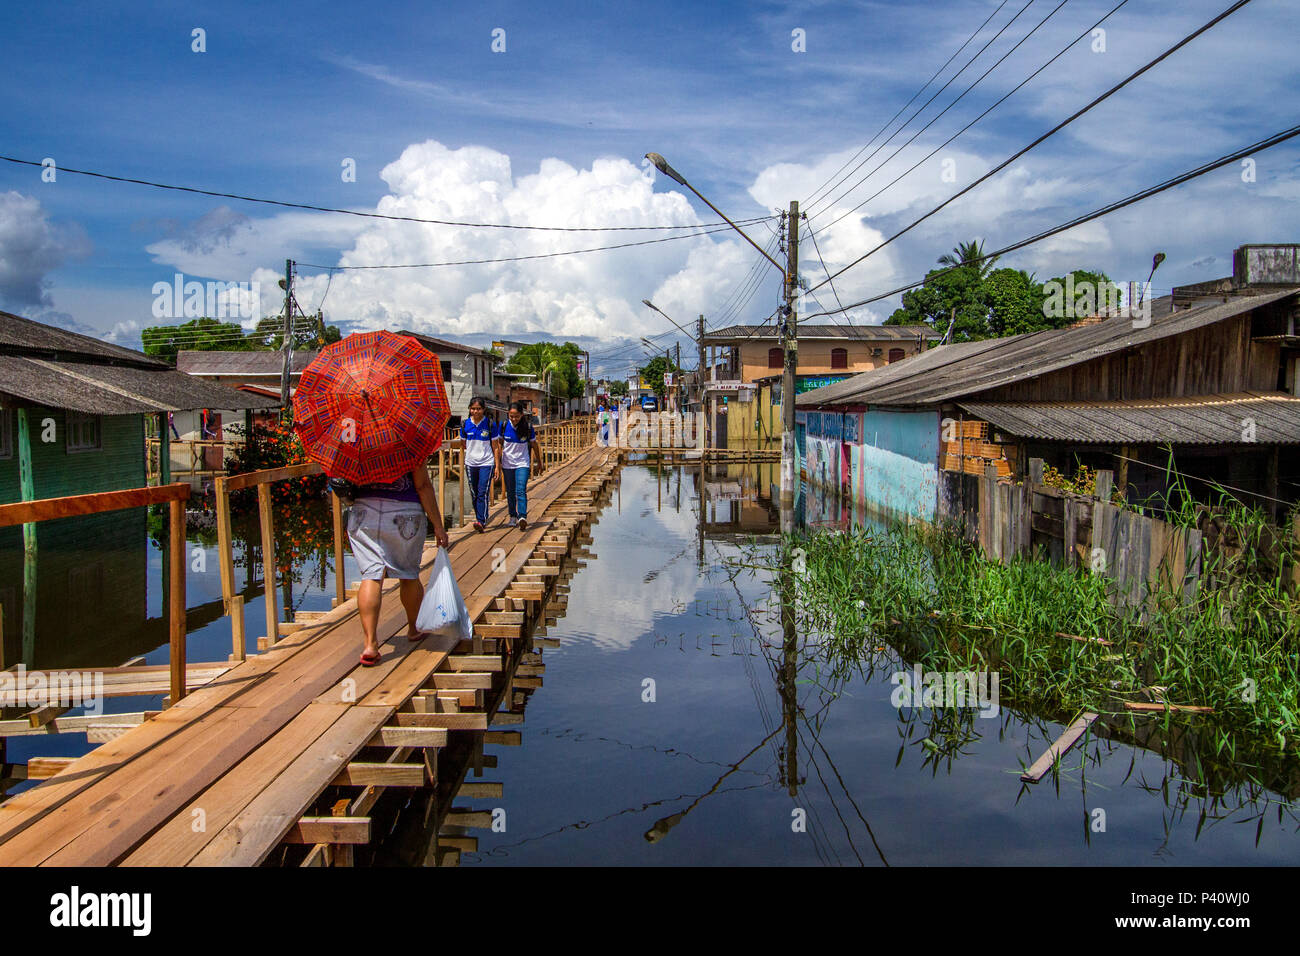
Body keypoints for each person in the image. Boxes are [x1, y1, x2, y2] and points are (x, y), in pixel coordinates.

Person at [346, 467, 450, 667]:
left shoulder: (357, 439)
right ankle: (414, 628)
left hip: (364, 510)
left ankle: (370, 644)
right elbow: (422, 485)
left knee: (371, 574)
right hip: (405, 509)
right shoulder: (411, 439)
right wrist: (437, 525)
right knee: (408, 574)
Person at [495, 400, 543, 530]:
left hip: (523, 462)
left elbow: (534, 445)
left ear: (522, 415)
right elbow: (499, 445)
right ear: (508, 415)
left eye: (516, 416)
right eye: (511, 416)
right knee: (510, 492)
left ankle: (522, 516)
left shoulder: (527, 427)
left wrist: (539, 462)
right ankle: (512, 516)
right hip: (507, 463)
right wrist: (497, 465)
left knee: (520, 490)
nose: (514, 419)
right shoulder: (504, 425)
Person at [462, 397, 497, 532]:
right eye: (473, 409)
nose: (476, 411)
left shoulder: (489, 424)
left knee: (483, 491)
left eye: (478, 409)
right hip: (470, 463)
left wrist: (497, 465)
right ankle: (480, 517)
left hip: (486, 462)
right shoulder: (465, 424)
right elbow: (463, 443)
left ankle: (481, 520)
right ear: (470, 409)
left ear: (483, 410)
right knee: (474, 493)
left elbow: (495, 446)